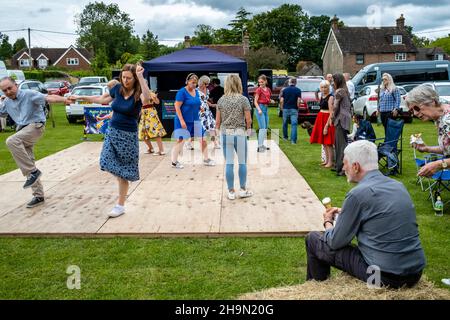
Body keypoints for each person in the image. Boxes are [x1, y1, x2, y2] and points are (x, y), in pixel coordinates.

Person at [305, 140, 426, 288]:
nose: (343, 168)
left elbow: (335, 241)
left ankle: (318, 291)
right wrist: (348, 214)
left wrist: (328, 222)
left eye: (345, 163)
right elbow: (382, 217)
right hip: (414, 274)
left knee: (313, 239)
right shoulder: (398, 186)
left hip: (382, 278)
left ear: (356, 166)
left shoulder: (357, 194)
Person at [70, 64, 151, 218]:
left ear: (134, 78)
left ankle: (120, 205)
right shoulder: (117, 89)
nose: (125, 80)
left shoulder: (139, 91)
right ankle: (123, 179)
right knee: (105, 160)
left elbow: (146, 99)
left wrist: (141, 78)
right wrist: (81, 97)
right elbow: (101, 98)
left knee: (123, 175)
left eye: (129, 78)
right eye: (123, 77)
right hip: (112, 132)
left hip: (128, 136)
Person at [0, 77, 72, 208]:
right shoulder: (7, 102)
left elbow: (49, 98)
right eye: (5, 91)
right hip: (22, 131)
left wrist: (64, 99)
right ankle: (38, 195)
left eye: (10, 88)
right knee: (28, 161)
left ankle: (33, 172)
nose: (8, 92)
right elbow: (1, 112)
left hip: (35, 126)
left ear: (16, 85)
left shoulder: (29, 94)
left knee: (11, 141)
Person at [216, 74, 253, 200]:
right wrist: (249, 131)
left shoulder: (221, 100)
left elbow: (217, 122)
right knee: (242, 163)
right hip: (240, 133)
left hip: (226, 133)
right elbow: (248, 119)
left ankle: (231, 192)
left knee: (229, 164)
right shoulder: (243, 99)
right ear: (239, 84)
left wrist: (216, 134)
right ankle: (242, 189)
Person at [171, 73, 215, 169]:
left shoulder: (196, 92)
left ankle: (206, 159)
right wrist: (182, 121)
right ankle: (174, 162)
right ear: (187, 81)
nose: (194, 84)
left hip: (195, 120)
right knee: (180, 140)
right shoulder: (182, 92)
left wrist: (199, 108)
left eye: (195, 83)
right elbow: (177, 106)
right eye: (192, 82)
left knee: (203, 139)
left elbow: (195, 102)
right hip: (183, 120)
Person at [407, 85, 450, 177]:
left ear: (432, 102)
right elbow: (447, 149)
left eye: (416, 108)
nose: (415, 113)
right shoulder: (439, 119)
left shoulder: (448, 119)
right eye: (412, 110)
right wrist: (427, 148)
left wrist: (439, 164)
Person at [310, 80, 335, 168]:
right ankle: (326, 160)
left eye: (325, 87)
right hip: (320, 117)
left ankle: (330, 162)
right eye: (322, 87)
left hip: (327, 119)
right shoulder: (322, 96)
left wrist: (326, 126)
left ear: (329, 88)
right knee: (324, 143)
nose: (324, 89)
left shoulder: (331, 97)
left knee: (328, 143)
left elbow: (331, 113)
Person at [331, 73, 352, 176]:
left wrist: (332, 118)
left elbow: (335, 107)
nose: (332, 83)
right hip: (346, 119)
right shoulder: (345, 90)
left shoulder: (339, 91)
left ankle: (341, 169)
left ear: (337, 81)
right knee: (341, 144)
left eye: (333, 81)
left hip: (341, 120)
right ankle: (339, 166)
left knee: (340, 145)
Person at [138, 89, 166, 155]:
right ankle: (151, 148)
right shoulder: (140, 94)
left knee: (156, 131)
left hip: (151, 113)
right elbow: (143, 103)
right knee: (142, 132)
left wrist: (155, 98)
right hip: (144, 113)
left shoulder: (151, 93)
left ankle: (161, 150)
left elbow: (157, 102)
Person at [198, 75, 219, 149]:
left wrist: (212, 105)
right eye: (206, 84)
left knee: (211, 127)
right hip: (200, 112)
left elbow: (205, 100)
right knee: (199, 128)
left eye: (208, 84)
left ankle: (215, 143)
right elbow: (195, 101)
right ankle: (189, 143)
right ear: (202, 83)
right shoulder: (196, 91)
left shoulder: (207, 90)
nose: (207, 85)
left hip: (207, 112)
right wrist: (199, 108)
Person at [280, 77, 302, 144]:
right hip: (294, 109)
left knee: (284, 124)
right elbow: (298, 101)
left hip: (286, 109)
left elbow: (281, 100)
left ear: (289, 82)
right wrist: (298, 108)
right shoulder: (298, 90)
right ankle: (293, 141)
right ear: (295, 83)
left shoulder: (284, 90)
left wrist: (281, 108)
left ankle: (285, 137)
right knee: (294, 124)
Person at [254, 74, 271, 152]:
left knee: (265, 128)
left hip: (266, 109)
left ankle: (261, 144)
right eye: (259, 82)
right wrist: (259, 110)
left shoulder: (268, 89)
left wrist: (271, 101)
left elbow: (267, 99)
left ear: (266, 81)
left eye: (262, 82)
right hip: (260, 109)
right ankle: (259, 147)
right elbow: (255, 101)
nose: (260, 84)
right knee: (263, 128)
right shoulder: (258, 90)